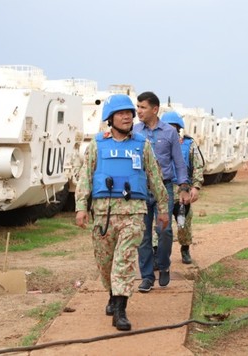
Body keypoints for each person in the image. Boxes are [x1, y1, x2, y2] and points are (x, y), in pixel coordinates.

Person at [75, 94, 169, 331]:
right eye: (121, 113)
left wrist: (163, 209)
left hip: (133, 214)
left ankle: (121, 310)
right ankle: (112, 294)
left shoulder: (142, 145)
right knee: (105, 264)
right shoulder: (97, 144)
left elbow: (155, 178)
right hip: (103, 215)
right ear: (111, 118)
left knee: (124, 262)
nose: (127, 116)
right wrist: (80, 208)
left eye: (130, 112)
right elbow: (85, 177)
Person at [133, 91, 191, 293]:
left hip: (164, 189)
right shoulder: (134, 131)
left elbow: (179, 162)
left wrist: (184, 187)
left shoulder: (169, 132)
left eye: (142, 107)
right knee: (143, 235)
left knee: (164, 231)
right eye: (137, 107)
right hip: (141, 189)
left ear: (155, 109)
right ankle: (147, 276)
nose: (138, 111)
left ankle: (164, 265)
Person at [161, 111, 205, 264]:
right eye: (166, 127)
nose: (170, 130)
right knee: (161, 224)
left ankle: (185, 249)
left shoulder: (188, 144)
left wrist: (196, 187)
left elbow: (198, 166)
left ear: (178, 128)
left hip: (182, 191)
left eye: (173, 127)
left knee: (183, 222)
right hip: (163, 190)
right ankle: (159, 255)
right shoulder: (157, 142)